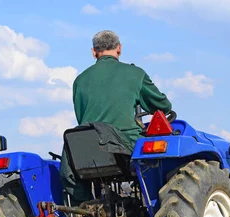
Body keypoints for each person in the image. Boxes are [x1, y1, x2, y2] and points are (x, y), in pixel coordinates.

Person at [61, 30, 172, 203]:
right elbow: (163, 106)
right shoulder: (135, 74)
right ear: (119, 49)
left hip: (87, 147)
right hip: (125, 146)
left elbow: (81, 117)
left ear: (94, 52)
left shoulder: (79, 80)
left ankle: (85, 210)